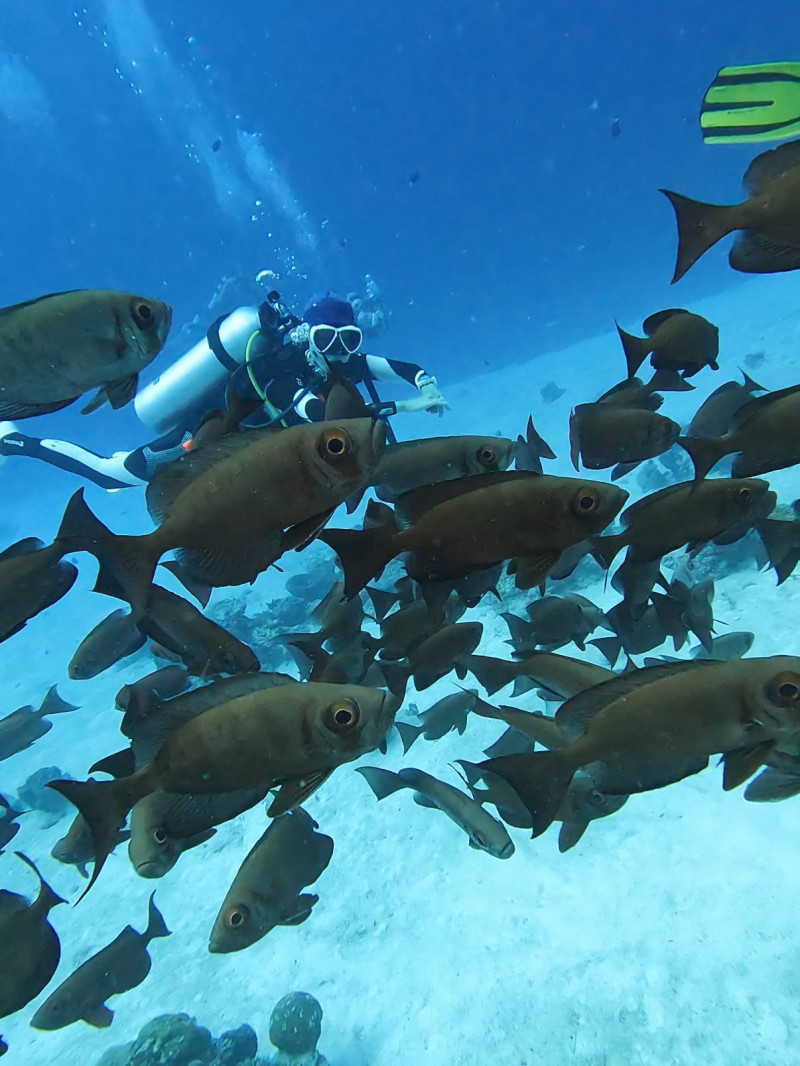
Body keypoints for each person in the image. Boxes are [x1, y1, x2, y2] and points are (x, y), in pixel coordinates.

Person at [0, 290, 449, 490]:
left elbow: (402, 366)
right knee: (114, 475)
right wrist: (408, 406)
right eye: (325, 340)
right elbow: (314, 416)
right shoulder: (286, 368)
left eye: (347, 340)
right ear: (305, 336)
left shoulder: (342, 362)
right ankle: (16, 440)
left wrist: (427, 384)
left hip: (244, 454)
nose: (337, 352)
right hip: (209, 432)